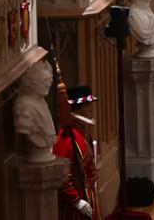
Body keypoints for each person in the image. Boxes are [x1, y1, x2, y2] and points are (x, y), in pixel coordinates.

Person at [54, 86, 101, 219]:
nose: (91, 109)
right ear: (77, 110)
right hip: (75, 205)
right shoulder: (66, 139)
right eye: (87, 106)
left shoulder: (82, 134)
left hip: (88, 196)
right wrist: (76, 201)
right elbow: (61, 175)